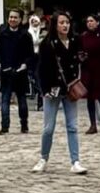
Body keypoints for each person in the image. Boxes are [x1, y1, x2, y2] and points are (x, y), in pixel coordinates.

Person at [33, 10, 87, 175]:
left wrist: (82, 58)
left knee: (72, 126)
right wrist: (45, 90)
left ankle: (75, 161)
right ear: (55, 25)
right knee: (49, 128)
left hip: (70, 88)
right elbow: (41, 70)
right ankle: (43, 158)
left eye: (67, 22)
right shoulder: (48, 44)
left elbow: (80, 61)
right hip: (53, 89)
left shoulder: (75, 41)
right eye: (62, 23)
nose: (65, 25)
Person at [0, 8, 35, 135]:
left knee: (21, 99)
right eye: (11, 17)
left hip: (20, 70)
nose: (12, 19)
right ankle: (4, 126)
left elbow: (30, 54)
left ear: (20, 19)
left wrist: (25, 65)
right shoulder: (1, 31)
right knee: (5, 98)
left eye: (15, 17)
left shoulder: (25, 35)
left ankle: (24, 125)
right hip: (6, 69)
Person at [27, 7, 47, 111]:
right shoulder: (28, 32)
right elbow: (30, 43)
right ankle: (39, 95)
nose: (35, 23)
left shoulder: (42, 31)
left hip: (40, 56)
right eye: (33, 21)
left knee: (39, 77)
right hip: (31, 57)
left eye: (36, 21)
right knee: (33, 78)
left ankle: (41, 100)